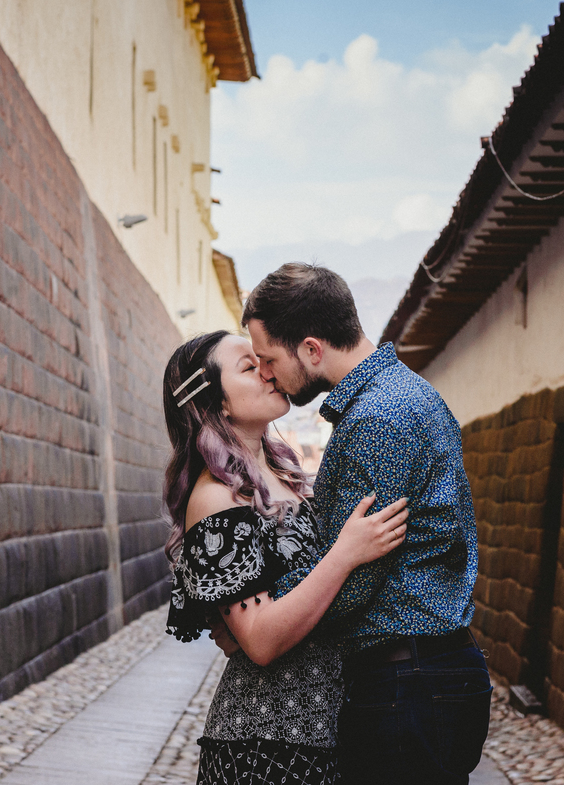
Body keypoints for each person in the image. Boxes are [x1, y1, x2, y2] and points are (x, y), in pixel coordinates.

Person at [240, 262, 491, 785]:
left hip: (405, 684)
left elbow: (353, 585)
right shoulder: (399, 396)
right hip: (422, 678)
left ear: (311, 349)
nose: (265, 373)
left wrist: (260, 619)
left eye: (268, 359)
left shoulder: (378, 419)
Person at [163, 330, 410, 785]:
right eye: (247, 366)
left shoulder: (284, 476)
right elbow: (258, 640)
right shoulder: (216, 498)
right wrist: (345, 554)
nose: (266, 370)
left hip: (326, 730)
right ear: (218, 403)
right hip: (267, 746)